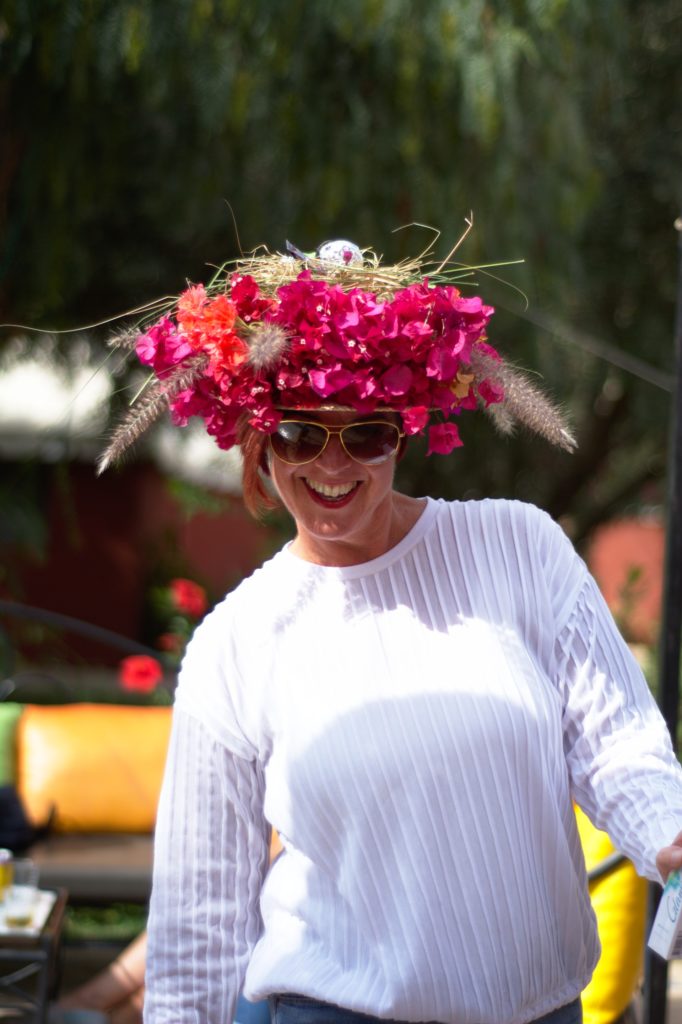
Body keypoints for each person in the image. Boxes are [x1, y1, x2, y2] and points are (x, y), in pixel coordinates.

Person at [101, 237, 682, 1024]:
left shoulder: (519, 546)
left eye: (366, 432)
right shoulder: (237, 639)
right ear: (259, 437)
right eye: (301, 433)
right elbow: (199, 918)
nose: (332, 464)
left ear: (407, 428)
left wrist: (669, 836)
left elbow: (618, 744)